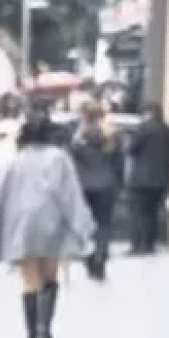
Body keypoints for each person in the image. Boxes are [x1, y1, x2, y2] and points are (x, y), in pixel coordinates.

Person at [0, 111, 95, 338]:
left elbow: (1, 198)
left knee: (29, 280)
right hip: (51, 223)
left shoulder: (14, 162)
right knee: (50, 276)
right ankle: (44, 327)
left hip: (21, 225)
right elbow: (69, 195)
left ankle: (30, 337)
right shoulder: (58, 158)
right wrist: (82, 227)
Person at [69, 101, 123, 280]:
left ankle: (89, 256)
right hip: (106, 184)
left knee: (85, 223)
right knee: (104, 223)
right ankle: (101, 255)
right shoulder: (111, 135)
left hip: (83, 185)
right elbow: (118, 161)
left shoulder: (78, 136)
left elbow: (72, 158)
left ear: (84, 115)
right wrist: (118, 182)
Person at [126, 101, 168, 255]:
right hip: (161, 179)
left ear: (148, 112)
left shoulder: (143, 128)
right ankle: (150, 244)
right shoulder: (165, 129)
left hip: (142, 179)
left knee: (138, 213)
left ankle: (138, 245)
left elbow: (131, 149)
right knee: (153, 213)